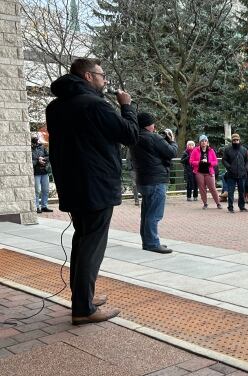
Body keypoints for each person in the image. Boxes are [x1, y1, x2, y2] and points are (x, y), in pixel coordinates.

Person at [47, 58, 138, 324]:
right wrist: (126, 106)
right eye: (102, 75)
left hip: (72, 184)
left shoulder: (55, 107)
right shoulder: (95, 105)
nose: (105, 80)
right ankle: (83, 309)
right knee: (92, 244)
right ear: (88, 76)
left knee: (82, 239)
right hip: (96, 185)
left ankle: (82, 298)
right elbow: (130, 134)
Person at [131, 112, 178, 254]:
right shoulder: (153, 137)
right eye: (152, 123)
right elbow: (171, 152)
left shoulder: (134, 138)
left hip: (143, 180)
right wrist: (172, 141)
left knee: (146, 213)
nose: (154, 126)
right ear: (148, 125)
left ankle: (148, 241)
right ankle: (152, 243)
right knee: (154, 214)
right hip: (156, 180)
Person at [189, 135, 221, 209]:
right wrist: (199, 162)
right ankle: (205, 203)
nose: (204, 142)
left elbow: (215, 162)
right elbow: (191, 162)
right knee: (202, 188)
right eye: (202, 141)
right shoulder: (195, 150)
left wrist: (209, 163)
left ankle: (218, 203)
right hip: (199, 172)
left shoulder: (211, 150)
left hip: (209, 172)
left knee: (212, 188)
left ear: (207, 142)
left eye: (205, 141)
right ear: (200, 142)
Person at [222, 134, 248, 213]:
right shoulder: (227, 149)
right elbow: (224, 160)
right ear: (232, 141)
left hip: (242, 174)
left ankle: (242, 207)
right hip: (231, 174)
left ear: (239, 140)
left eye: (237, 140)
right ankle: (230, 207)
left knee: (242, 192)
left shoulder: (244, 150)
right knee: (230, 191)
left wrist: (246, 168)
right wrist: (229, 167)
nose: (235, 141)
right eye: (234, 140)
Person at [31, 135, 53, 213]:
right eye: (35, 140)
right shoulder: (30, 148)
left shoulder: (42, 147)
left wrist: (43, 159)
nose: (37, 141)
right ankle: (37, 207)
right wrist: (38, 160)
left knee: (46, 190)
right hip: (36, 173)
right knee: (37, 190)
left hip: (44, 171)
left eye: (37, 139)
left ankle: (44, 206)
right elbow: (29, 160)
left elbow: (48, 156)